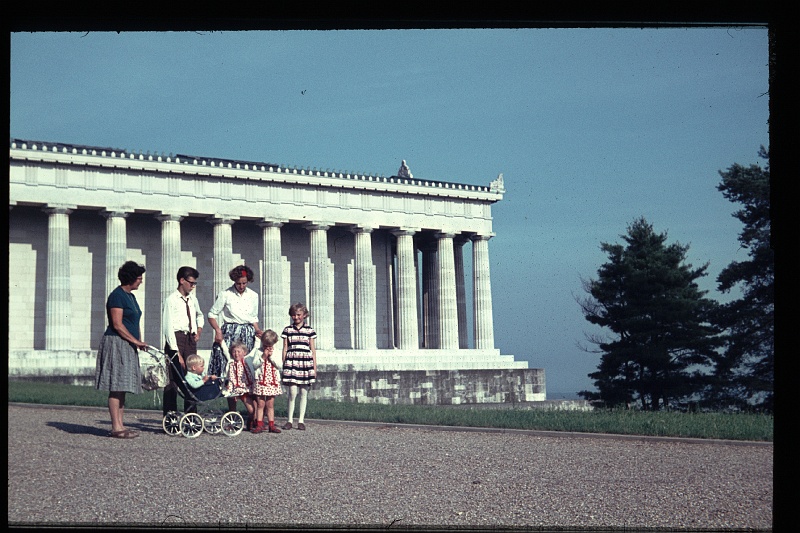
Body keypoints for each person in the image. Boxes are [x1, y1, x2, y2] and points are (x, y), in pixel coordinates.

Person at [95, 261, 149, 439]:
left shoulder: (131, 297)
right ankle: (115, 427)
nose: (141, 281)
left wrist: (138, 341)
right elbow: (117, 324)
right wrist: (135, 341)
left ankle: (120, 424)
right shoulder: (116, 296)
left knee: (123, 385)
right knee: (116, 385)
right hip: (116, 343)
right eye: (139, 278)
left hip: (128, 344)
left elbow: (134, 321)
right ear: (131, 278)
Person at [207, 265, 262, 412]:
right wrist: (218, 330)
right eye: (239, 283)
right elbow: (212, 314)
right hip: (230, 333)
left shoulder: (254, 295)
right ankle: (232, 411)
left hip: (247, 334)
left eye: (244, 283)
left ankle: (254, 413)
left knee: (247, 369)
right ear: (234, 281)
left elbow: (253, 317)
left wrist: (257, 330)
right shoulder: (225, 294)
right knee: (230, 371)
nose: (241, 286)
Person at [161, 266, 205, 415]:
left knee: (192, 376)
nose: (193, 286)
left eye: (195, 283)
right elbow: (168, 328)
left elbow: (200, 315)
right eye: (191, 283)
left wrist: (198, 330)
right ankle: (170, 417)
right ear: (182, 280)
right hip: (176, 339)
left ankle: (191, 416)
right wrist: (176, 353)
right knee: (173, 379)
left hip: (190, 339)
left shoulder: (193, 299)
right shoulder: (171, 300)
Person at [281, 303, 317, 431]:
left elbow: (313, 350)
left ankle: (301, 420)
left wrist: (314, 368)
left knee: (303, 392)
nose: (296, 317)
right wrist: (284, 364)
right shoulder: (287, 330)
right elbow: (285, 348)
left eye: (298, 315)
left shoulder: (309, 330)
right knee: (292, 392)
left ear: (304, 315)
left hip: (305, 363)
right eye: (293, 315)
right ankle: (289, 420)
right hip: (292, 363)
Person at [250, 330, 283, 434]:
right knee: (260, 404)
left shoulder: (276, 352)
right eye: (265, 345)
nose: (267, 348)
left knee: (270, 404)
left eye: (269, 346)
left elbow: (280, 365)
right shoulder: (258, 351)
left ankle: (271, 425)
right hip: (261, 381)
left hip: (272, 381)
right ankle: (259, 424)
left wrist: (271, 357)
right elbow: (254, 365)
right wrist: (263, 357)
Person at [225, 341, 256, 428]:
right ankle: (232, 422)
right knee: (231, 404)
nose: (236, 354)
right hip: (234, 388)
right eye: (234, 352)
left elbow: (255, 349)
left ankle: (251, 421)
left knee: (252, 410)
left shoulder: (247, 361)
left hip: (246, 388)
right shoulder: (231, 364)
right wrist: (231, 390)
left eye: (239, 351)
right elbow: (230, 378)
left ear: (244, 353)